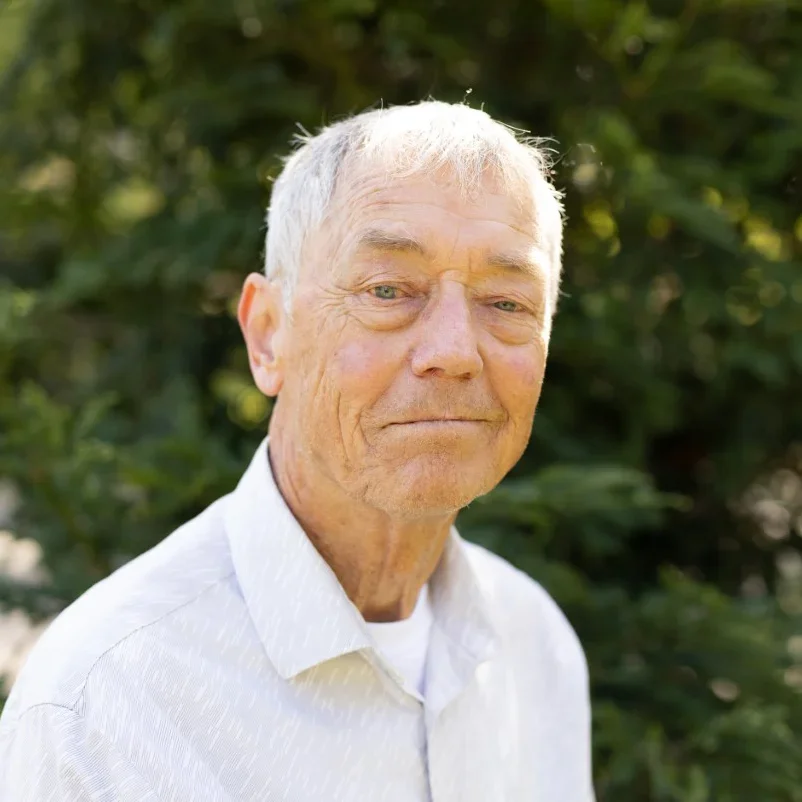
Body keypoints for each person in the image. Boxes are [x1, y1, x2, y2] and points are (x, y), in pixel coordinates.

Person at [0, 101, 595, 801]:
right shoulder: (105, 703)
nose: (455, 352)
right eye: (387, 290)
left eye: (506, 303)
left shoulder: (536, 649)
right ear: (267, 335)